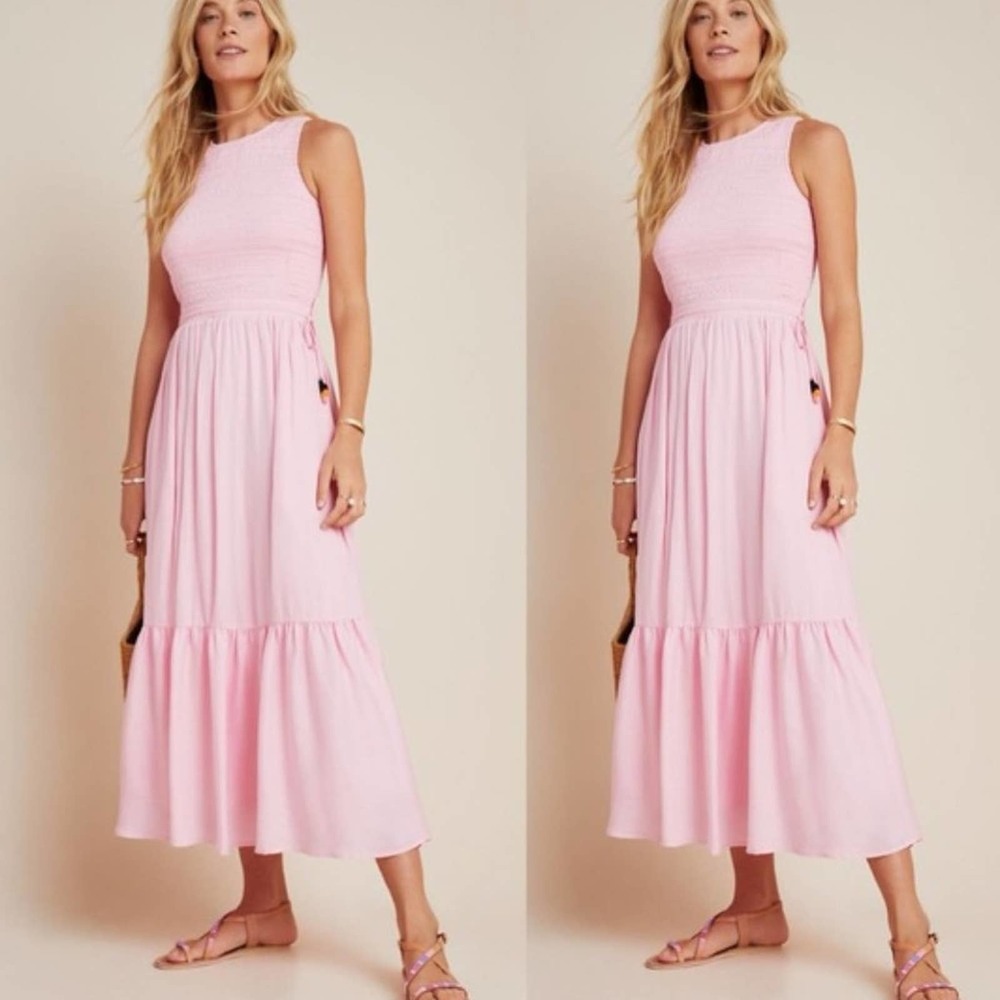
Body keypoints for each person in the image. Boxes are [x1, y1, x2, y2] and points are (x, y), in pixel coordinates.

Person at [606, 2, 959, 998]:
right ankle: (754, 901)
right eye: (701, 14)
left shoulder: (812, 144)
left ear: (765, 32)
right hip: (682, 432)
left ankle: (910, 928)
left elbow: (840, 301)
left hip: (775, 418)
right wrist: (624, 469)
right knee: (713, 645)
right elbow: (648, 329)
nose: (719, 26)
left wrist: (840, 429)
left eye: (738, 11)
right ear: (683, 41)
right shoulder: (668, 164)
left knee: (813, 641)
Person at [115, 2, 468, 997]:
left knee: (322, 642)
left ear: (274, 32)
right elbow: (157, 329)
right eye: (209, 14)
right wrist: (133, 469)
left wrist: (348, 430)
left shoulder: (320, 144)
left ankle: (420, 931)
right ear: (192, 41)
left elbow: (349, 301)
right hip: (192, 432)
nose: (228, 27)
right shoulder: (175, 164)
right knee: (219, 643)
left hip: (284, 418)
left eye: (247, 11)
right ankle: (262, 901)